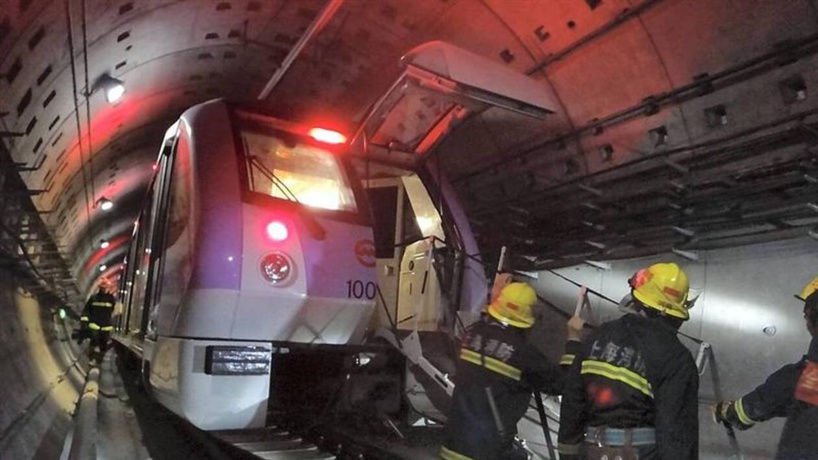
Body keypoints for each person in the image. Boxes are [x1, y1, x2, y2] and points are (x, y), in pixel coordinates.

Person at [558, 262, 699, 460]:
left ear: (637, 300)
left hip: (591, 451)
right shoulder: (677, 358)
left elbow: (572, 400)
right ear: (677, 315)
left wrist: (567, 454)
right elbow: (676, 433)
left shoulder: (598, 336)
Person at [440, 281, 583, 460]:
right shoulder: (523, 354)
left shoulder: (472, 336)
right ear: (528, 320)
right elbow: (563, 383)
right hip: (487, 454)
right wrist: (573, 340)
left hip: (452, 448)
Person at [713, 276, 818, 459]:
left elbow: (779, 392)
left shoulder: (810, 373)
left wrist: (732, 411)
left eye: (807, 312)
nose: (805, 319)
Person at [79, 278, 117, 363]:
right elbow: (113, 311)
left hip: (95, 326)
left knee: (94, 342)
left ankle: (92, 360)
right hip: (104, 327)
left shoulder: (94, 298)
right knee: (102, 345)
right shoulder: (111, 299)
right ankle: (97, 361)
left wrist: (84, 323)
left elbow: (86, 311)